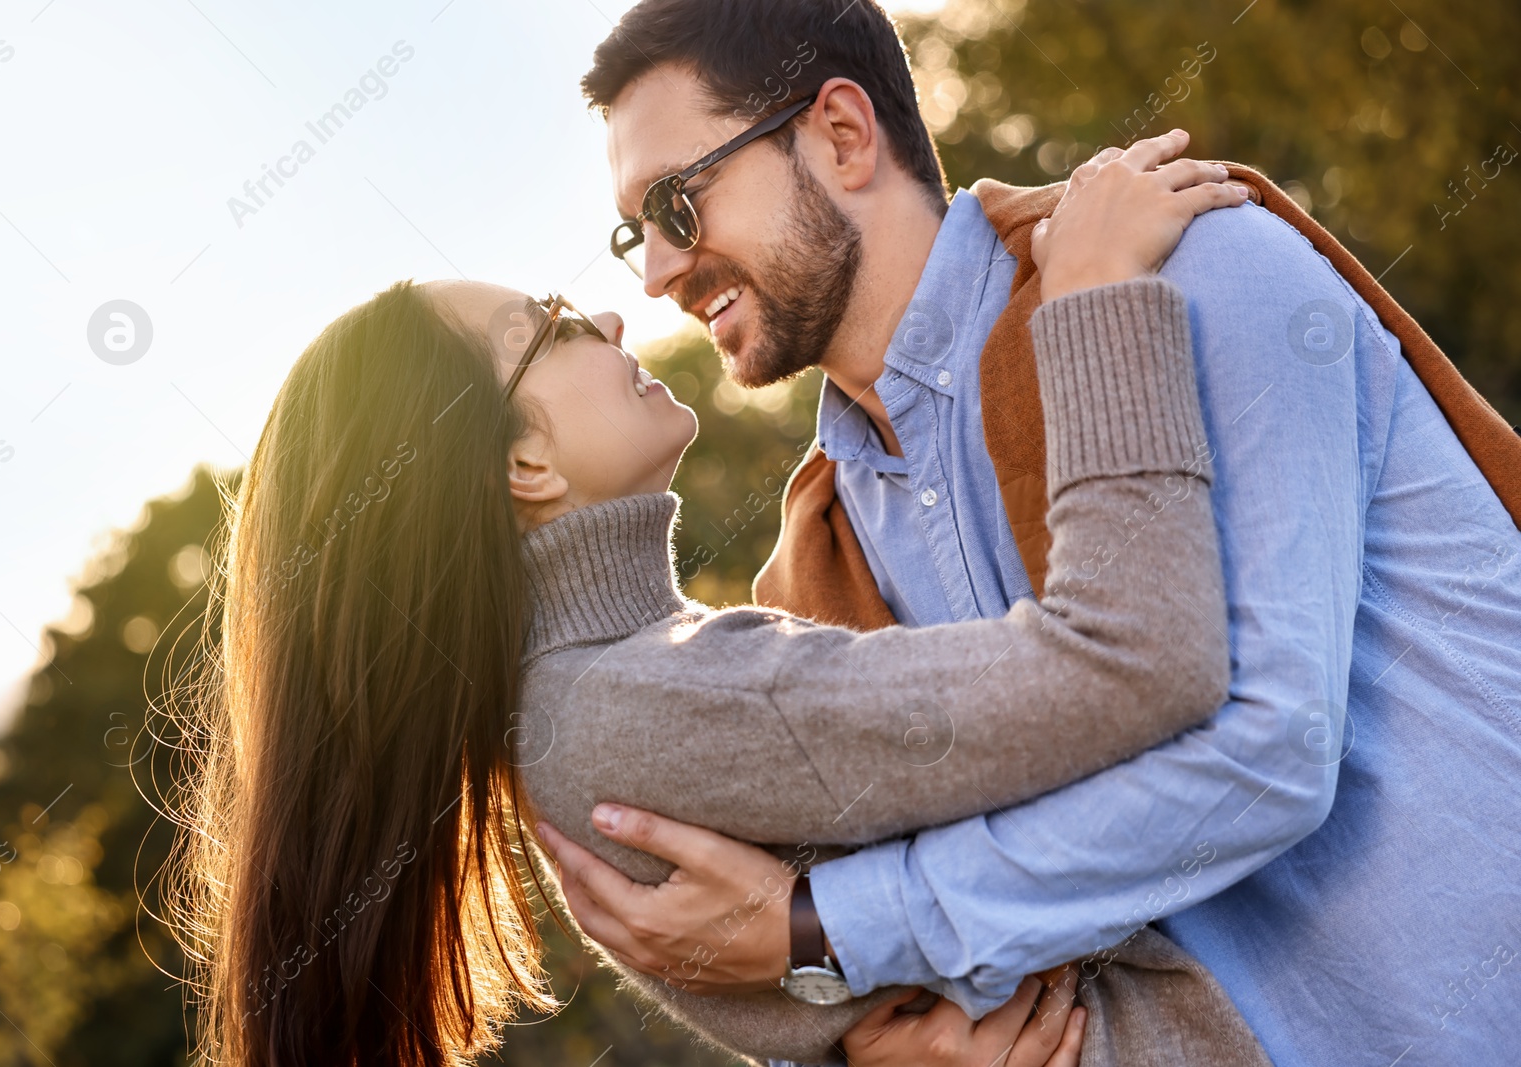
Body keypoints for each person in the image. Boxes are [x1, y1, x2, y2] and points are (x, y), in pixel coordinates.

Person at [542, 2, 1521, 1066]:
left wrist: (820, 928)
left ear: (839, 133)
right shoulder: (812, 573)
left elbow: (1271, 748)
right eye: (632, 231)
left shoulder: (1188, 270)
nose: (653, 273)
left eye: (678, 204)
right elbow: (871, 1005)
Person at [166, 136, 1247, 1065]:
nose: (608, 316)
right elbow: (1137, 659)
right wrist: (1100, 302)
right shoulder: (637, 702)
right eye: (548, 326)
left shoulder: (605, 695)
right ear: (523, 461)